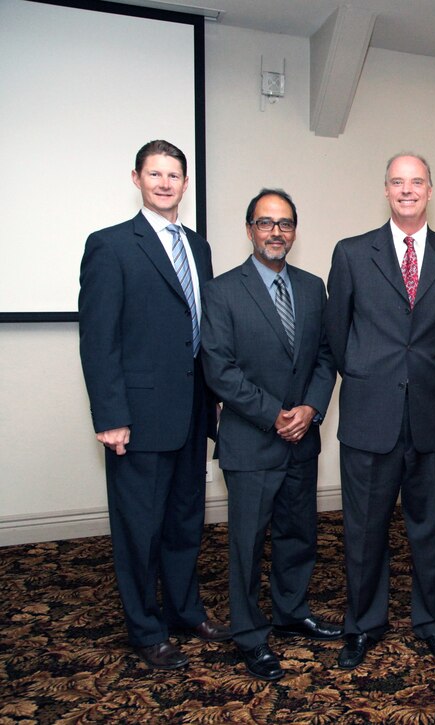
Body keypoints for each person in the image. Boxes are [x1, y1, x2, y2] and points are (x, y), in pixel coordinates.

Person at [78, 140, 229, 670]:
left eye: (174, 175)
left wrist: (214, 402)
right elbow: (98, 341)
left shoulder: (199, 246)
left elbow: (204, 333)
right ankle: (144, 629)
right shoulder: (111, 245)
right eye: (155, 174)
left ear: (185, 184)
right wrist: (111, 416)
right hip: (138, 417)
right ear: (137, 178)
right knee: (139, 528)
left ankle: (184, 610)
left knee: (186, 520)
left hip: (192, 411)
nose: (165, 183)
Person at [325, 153, 435, 667]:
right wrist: (371, 374)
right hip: (370, 414)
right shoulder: (350, 253)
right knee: (364, 529)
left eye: (417, 182)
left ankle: (433, 621)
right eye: (397, 182)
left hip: (430, 413)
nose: (407, 190)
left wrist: (418, 375)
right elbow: (336, 336)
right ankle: (363, 624)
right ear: (385, 190)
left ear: (431, 190)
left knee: (432, 526)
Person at [200, 189, 341, 681]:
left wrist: (311, 408)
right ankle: (249, 634)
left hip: (303, 437)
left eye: (284, 224)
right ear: (249, 230)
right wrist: (276, 414)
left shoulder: (311, 286)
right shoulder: (220, 291)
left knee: (298, 534)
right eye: (265, 223)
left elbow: (326, 357)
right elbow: (219, 369)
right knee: (246, 542)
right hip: (251, 440)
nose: (275, 232)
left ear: (294, 231)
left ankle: (292, 611)